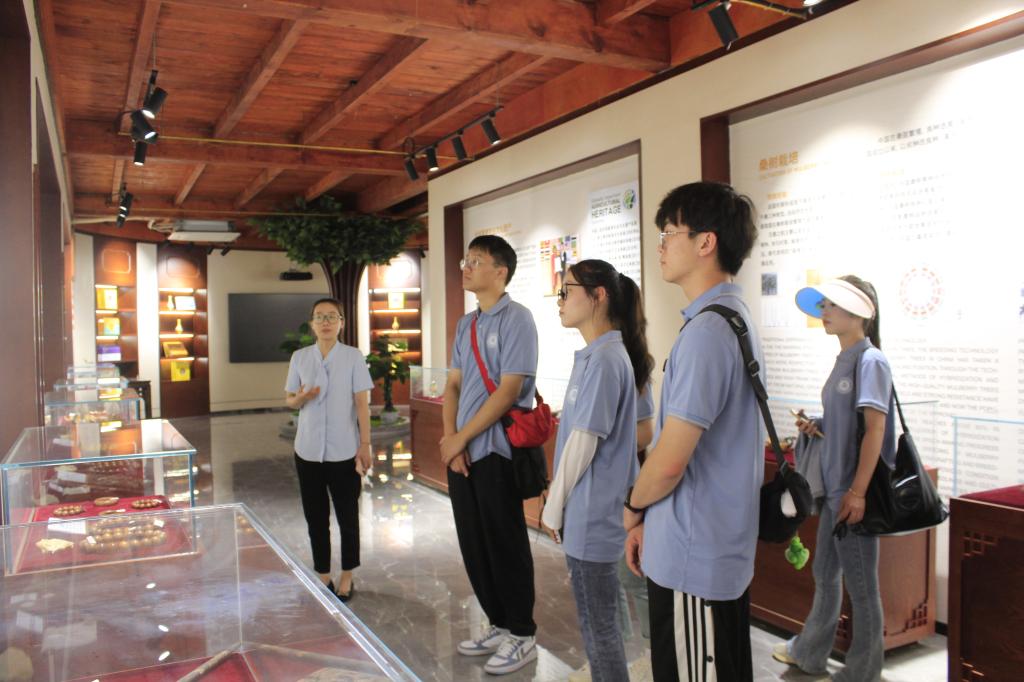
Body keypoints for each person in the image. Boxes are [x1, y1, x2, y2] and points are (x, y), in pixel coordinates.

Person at [623, 181, 763, 682]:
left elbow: (670, 460)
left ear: (706, 242)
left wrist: (633, 507)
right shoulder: (733, 318)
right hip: (706, 546)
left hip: (694, 558)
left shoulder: (706, 332)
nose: (661, 245)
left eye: (669, 233)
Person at [772, 275, 893, 681]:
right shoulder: (846, 359)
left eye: (832, 305)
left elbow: (875, 429)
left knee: (862, 588)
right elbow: (848, 423)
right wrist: (819, 426)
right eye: (823, 305)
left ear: (860, 312)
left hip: (852, 494)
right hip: (835, 492)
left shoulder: (870, 361)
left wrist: (857, 492)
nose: (824, 312)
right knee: (825, 574)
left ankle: (863, 672)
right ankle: (810, 653)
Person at [540, 259, 654, 682]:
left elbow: (584, 441)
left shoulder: (607, 358)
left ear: (598, 295)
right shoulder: (596, 355)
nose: (561, 301)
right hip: (587, 511)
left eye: (567, 291)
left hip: (594, 514)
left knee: (599, 628)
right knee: (597, 625)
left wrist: (553, 507)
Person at [439, 235, 540, 676]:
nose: (466, 267)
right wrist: (451, 440)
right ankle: (499, 623)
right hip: (463, 453)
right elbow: (453, 384)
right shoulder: (467, 324)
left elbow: (509, 391)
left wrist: (461, 438)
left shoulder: (518, 319)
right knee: (474, 542)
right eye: (466, 260)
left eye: (476, 261)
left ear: (500, 271)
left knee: (505, 541)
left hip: (496, 449)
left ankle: (522, 633)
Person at [285, 298, 373, 602]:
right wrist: (302, 398)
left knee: (348, 516)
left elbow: (361, 404)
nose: (325, 322)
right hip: (308, 450)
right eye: (320, 317)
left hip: (344, 450)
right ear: (312, 323)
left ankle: (347, 572)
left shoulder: (352, 357)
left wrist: (365, 445)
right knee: (315, 516)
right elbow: (290, 400)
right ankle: (323, 572)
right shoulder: (300, 357)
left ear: (341, 323)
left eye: (332, 317)